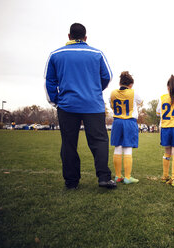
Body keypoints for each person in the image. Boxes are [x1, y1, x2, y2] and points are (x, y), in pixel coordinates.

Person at [44, 23, 116, 189]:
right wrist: (95, 90)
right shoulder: (97, 53)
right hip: (93, 105)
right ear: (85, 38)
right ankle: (104, 178)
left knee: (68, 143)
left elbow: (50, 81)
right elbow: (107, 76)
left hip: (67, 105)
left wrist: (56, 101)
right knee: (99, 142)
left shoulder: (55, 54)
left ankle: (71, 181)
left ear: (69, 36)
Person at [110, 71, 142, 184]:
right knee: (128, 148)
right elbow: (141, 102)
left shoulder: (113, 93)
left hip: (117, 121)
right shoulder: (133, 92)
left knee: (117, 147)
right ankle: (127, 177)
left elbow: (111, 105)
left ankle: (118, 176)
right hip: (129, 121)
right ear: (130, 84)